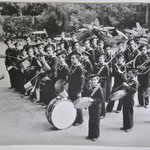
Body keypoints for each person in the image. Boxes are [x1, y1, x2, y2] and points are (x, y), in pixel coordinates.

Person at [83, 74, 104, 141]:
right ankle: (90, 134)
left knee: (96, 122)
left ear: (97, 80)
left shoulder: (99, 88)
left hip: (97, 107)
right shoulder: (90, 87)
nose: (93, 81)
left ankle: (95, 135)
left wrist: (93, 100)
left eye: (94, 80)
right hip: (91, 106)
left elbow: (101, 99)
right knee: (91, 120)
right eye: (91, 80)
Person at [68, 52, 85, 126]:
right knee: (72, 104)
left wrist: (79, 92)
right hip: (71, 88)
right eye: (71, 58)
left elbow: (82, 81)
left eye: (73, 58)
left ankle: (79, 120)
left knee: (77, 104)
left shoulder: (80, 68)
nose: (72, 60)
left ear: (78, 59)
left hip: (76, 89)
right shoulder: (72, 66)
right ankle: (74, 118)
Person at [120, 68, 138, 132]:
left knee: (129, 113)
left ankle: (129, 126)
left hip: (130, 99)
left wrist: (127, 86)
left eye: (130, 73)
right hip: (125, 98)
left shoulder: (135, 82)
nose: (128, 74)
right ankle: (125, 125)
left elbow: (134, 90)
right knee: (125, 112)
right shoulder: (129, 80)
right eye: (128, 73)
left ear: (134, 74)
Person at [95, 54, 109, 118]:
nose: (100, 60)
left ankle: (103, 113)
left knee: (102, 98)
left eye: (101, 59)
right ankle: (98, 111)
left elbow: (108, 77)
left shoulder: (106, 67)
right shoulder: (97, 66)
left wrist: (100, 78)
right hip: (96, 83)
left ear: (104, 59)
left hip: (103, 84)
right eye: (99, 58)